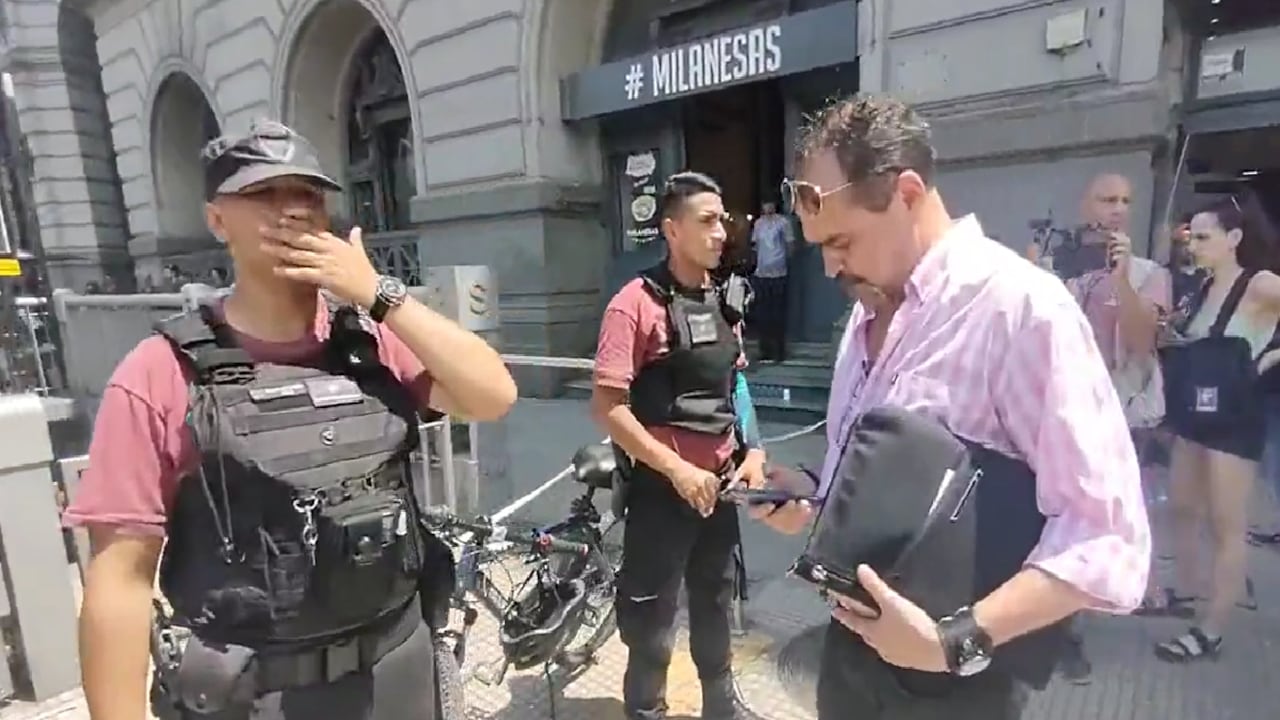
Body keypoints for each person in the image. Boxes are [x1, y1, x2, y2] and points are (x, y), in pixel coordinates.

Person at [62, 119, 517, 720]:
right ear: (217, 219)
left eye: (307, 194)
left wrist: (379, 293)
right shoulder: (160, 373)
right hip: (255, 696)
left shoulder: (373, 340)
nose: (293, 211)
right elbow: (120, 579)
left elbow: (493, 395)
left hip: (397, 673)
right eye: (263, 194)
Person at [753, 95, 1149, 719]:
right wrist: (813, 491)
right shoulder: (864, 316)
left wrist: (952, 643)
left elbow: (1105, 534)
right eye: (819, 246)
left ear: (908, 193)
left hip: (956, 685)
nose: (829, 266)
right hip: (849, 658)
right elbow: (897, 482)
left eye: (842, 241)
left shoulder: (1021, 311)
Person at [591, 171, 766, 720]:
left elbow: (735, 382)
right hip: (661, 492)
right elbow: (609, 408)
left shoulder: (725, 299)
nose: (721, 233)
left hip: (718, 489)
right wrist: (677, 470)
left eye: (723, 221)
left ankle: (722, 708)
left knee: (715, 603)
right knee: (651, 622)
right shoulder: (633, 305)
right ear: (672, 229)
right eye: (707, 221)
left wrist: (755, 450)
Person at [1155, 191, 1280, 662]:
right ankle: (1190, 590)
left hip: (1234, 420)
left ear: (1234, 238)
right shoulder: (1201, 288)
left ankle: (1212, 629)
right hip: (1195, 414)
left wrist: (1272, 356)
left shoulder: (1260, 284)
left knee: (1226, 523)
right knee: (1182, 507)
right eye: (1191, 237)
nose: (1193, 245)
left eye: (1203, 237)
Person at [749, 200, 794, 362]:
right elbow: (755, 245)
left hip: (779, 273)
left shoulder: (783, 222)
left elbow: (790, 245)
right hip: (761, 274)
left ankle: (780, 351)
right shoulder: (758, 224)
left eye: (770, 204)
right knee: (763, 313)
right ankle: (765, 350)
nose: (767, 207)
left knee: (778, 313)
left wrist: (785, 261)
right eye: (765, 205)